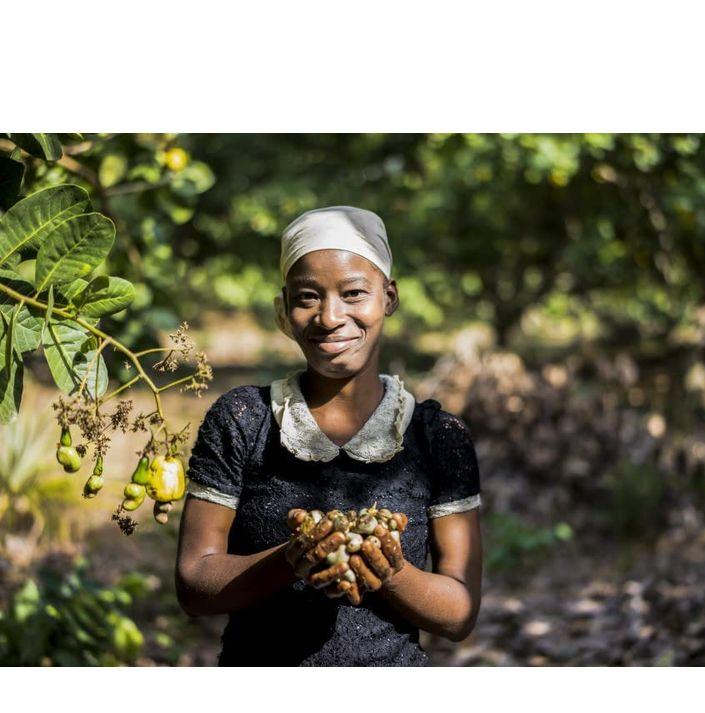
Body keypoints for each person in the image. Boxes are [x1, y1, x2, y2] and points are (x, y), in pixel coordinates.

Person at [175, 205, 482, 666]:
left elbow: (458, 614)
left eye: (354, 293)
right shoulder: (242, 420)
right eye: (308, 297)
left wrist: (389, 571)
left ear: (389, 298)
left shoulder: (437, 438)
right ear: (285, 308)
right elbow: (194, 583)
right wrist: (291, 559)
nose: (330, 317)